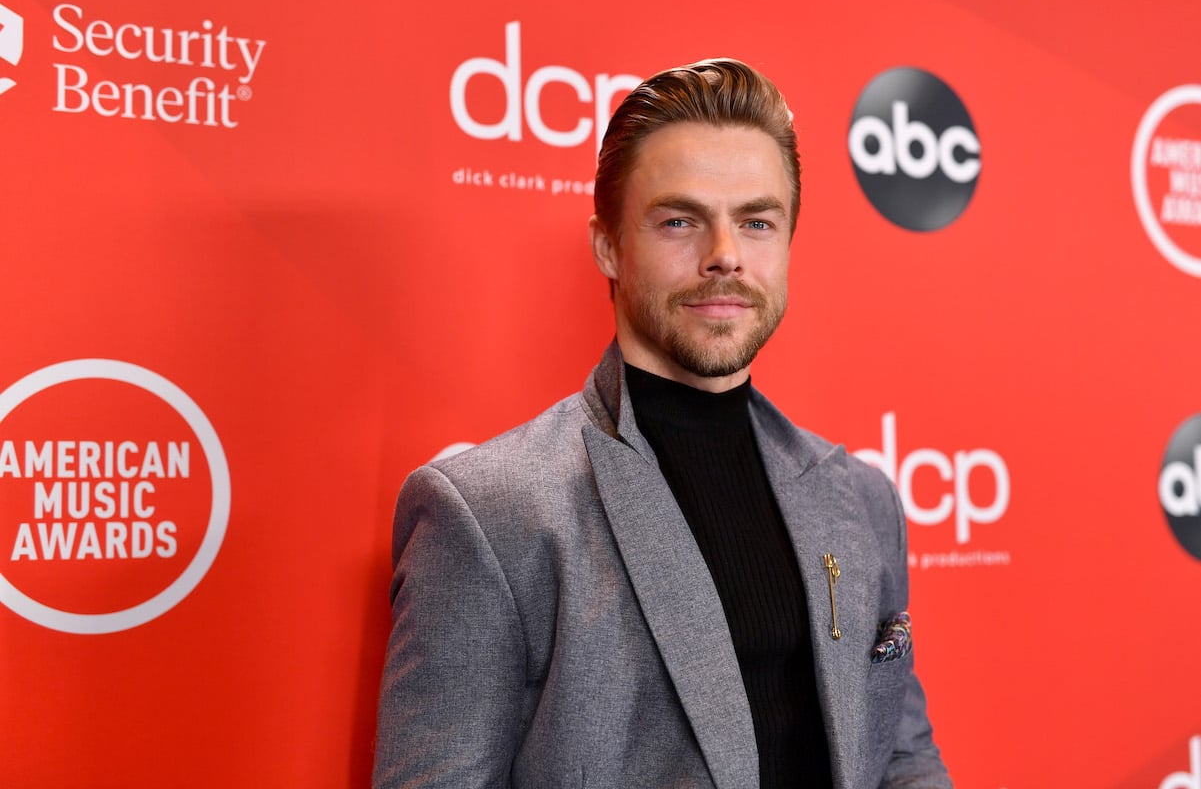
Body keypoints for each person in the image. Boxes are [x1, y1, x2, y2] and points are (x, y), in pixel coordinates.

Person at [374, 58, 952, 789]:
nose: (724, 257)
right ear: (608, 245)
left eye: (755, 221)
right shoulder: (491, 514)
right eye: (680, 220)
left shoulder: (860, 500)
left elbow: (899, 759)